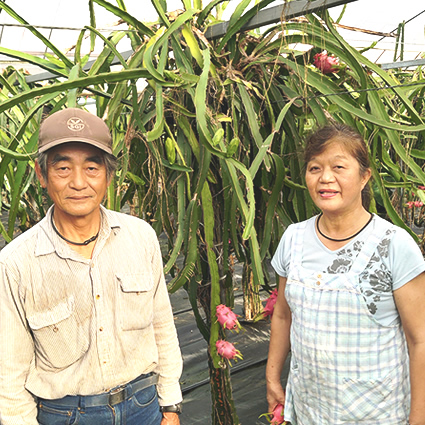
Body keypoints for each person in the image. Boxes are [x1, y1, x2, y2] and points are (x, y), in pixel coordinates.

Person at [0, 108, 183, 425]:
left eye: (92, 167)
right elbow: (9, 370)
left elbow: (162, 325)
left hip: (144, 405)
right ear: (41, 175)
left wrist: (170, 405)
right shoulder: (17, 262)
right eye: (62, 168)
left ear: (109, 176)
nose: (78, 182)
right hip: (66, 414)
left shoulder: (140, 238)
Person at [266, 123, 425, 425]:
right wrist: (272, 375)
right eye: (315, 168)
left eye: (339, 167)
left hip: (377, 414)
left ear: (365, 176)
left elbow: (421, 340)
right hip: (311, 410)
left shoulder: (394, 245)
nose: (326, 178)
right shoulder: (293, 239)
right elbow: (283, 315)